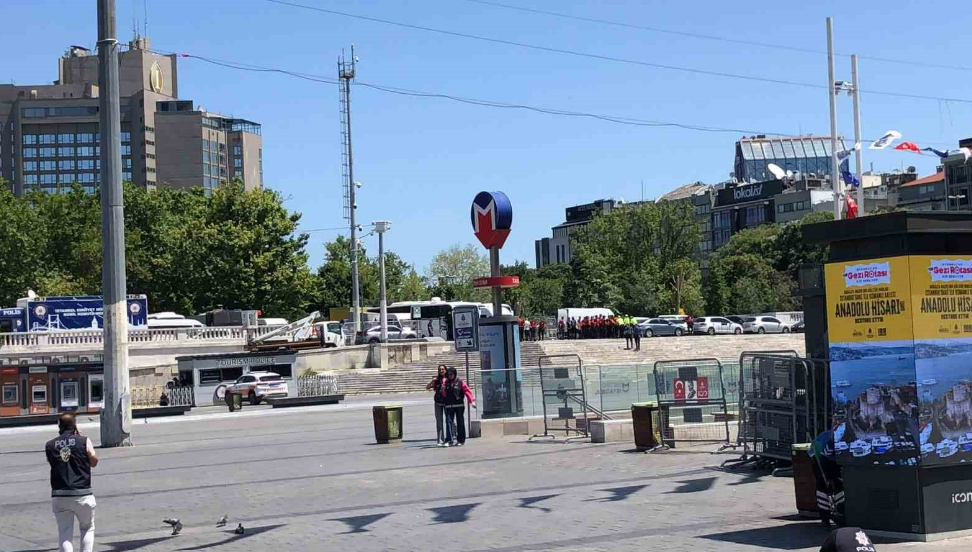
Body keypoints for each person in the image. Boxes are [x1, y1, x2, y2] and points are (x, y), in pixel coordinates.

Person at [46, 413, 99, 552]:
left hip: (59, 494)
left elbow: (55, 462)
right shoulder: (84, 441)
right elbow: (94, 462)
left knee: (64, 533)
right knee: (87, 527)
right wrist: (79, 439)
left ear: (59, 426)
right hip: (82, 494)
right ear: (75, 425)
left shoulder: (50, 445)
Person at [810, 428, 845, 528]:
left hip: (833, 463)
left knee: (838, 488)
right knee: (823, 490)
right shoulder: (829, 438)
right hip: (822, 463)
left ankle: (840, 512)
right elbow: (813, 454)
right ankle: (826, 518)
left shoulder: (838, 435)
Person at [443, 367, 476, 446]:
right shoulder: (446, 382)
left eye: (451, 374)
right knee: (449, 423)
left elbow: (467, 392)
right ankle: (449, 440)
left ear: (455, 374)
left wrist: (472, 402)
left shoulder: (461, 382)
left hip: (459, 406)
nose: (450, 376)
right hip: (449, 406)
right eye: (449, 374)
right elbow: (444, 394)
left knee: (460, 423)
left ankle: (461, 440)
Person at [426, 365, 449, 446]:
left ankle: (451, 437)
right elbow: (427, 387)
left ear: (446, 370)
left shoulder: (449, 378)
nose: (441, 370)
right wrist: (432, 382)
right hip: (438, 402)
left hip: (447, 402)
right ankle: (440, 440)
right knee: (439, 421)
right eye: (440, 369)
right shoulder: (436, 380)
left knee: (450, 421)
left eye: (443, 369)